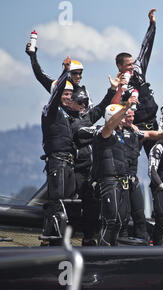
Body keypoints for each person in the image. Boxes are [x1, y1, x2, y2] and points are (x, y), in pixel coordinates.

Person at [63, 75, 120, 245]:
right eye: (80, 102)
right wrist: (98, 131)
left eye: (86, 102)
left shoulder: (86, 116)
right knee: (68, 205)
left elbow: (103, 107)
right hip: (75, 169)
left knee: (93, 205)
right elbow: (80, 135)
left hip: (91, 169)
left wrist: (112, 90)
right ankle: (61, 239)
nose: (84, 105)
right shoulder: (67, 118)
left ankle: (88, 237)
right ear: (71, 102)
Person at [40, 57, 76, 246]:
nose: (68, 96)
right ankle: (48, 241)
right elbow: (55, 95)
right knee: (56, 202)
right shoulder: (50, 109)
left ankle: (60, 240)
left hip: (69, 162)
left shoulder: (67, 113)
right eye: (65, 93)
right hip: (57, 160)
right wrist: (66, 72)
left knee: (67, 203)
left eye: (70, 94)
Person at [115, 8, 159, 157]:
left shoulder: (139, 69)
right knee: (131, 159)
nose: (132, 67)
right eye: (128, 65)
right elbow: (115, 109)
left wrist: (152, 24)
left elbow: (147, 46)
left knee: (160, 161)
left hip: (153, 123)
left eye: (132, 63)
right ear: (119, 67)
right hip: (135, 126)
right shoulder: (117, 84)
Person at [89, 102, 133, 246]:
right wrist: (124, 108)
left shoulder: (120, 134)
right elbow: (108, 127)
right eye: (121, 115)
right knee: (111, 220)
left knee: (120, 221)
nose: (125, 117)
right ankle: (101, 255)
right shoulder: (103, 132)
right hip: (108, 181)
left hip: (121, 180)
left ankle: (112, 252)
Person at [120, 108, 163, 244]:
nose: (131, 119)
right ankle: (121, 243)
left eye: (133, 116)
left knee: (139, 214)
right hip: (119, 180)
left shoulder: (135, 131)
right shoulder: (113, 131)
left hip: (133, 178)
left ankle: (143, 242)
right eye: (128, 116)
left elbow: (152, 134)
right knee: (123, 214)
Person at [25, 43, 92, 106]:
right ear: (68, 73)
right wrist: (33, 55)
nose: (78, 76)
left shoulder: (85, 92)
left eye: (80, 73)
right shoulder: (56, 86)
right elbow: (40, 75)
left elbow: (91, 114)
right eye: (74, 73)